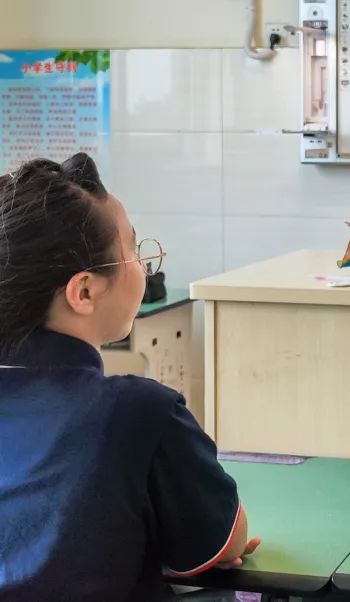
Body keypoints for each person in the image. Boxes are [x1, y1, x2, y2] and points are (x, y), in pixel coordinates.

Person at [0, 154, 260, 601]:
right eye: (134, 252)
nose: (143, 267)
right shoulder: (139, 411)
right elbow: (222, 544)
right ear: (84, 291)